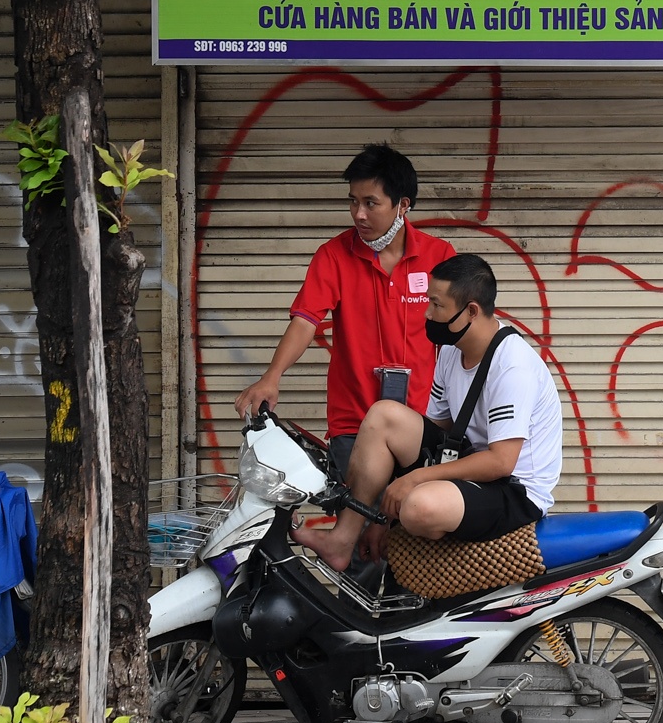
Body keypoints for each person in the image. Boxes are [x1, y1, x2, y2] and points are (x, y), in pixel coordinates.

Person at [292, 253, 563, 570]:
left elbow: (501, 462)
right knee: (384, 416)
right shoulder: (451, 351)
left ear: (471, 311)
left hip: (515, 491)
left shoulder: (512, 366)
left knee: (419, 505)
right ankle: (343, 538)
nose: (427, 313)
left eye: (437, 305)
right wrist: (382, 518)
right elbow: (434, 434)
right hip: (472, 463)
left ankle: (431, 561)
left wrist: (416, 480)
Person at [234, 144, 456, 481]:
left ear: (402, 205)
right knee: (358, 524)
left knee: (414, 525)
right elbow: (305, 319)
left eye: (370, 203)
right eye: (353, 201)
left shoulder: (439, 255)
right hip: (354, 423)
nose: (358, 214)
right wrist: (272, 376)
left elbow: (459, 333)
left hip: (423, 423)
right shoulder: (334, 256)